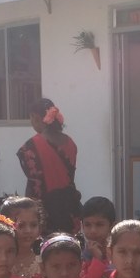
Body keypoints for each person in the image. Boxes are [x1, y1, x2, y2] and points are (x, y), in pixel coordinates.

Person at [17, 98, 82, 234]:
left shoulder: (30, 147)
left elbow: (34, 184)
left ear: (35, 117)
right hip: (70, 209)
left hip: (44, 212)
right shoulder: (70, 142)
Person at [0, 196, 45, 278]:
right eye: (21, 225)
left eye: (33, 225)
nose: (28, 230)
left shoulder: (44, 257)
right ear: (5, 226)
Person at [79, 196, 115, 278]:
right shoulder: (80, 257)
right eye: (87, 225)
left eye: (99, 225)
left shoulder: (118, 253)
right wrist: (97, 260)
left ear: (111, 226)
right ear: (82, 226)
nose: (93, 231)